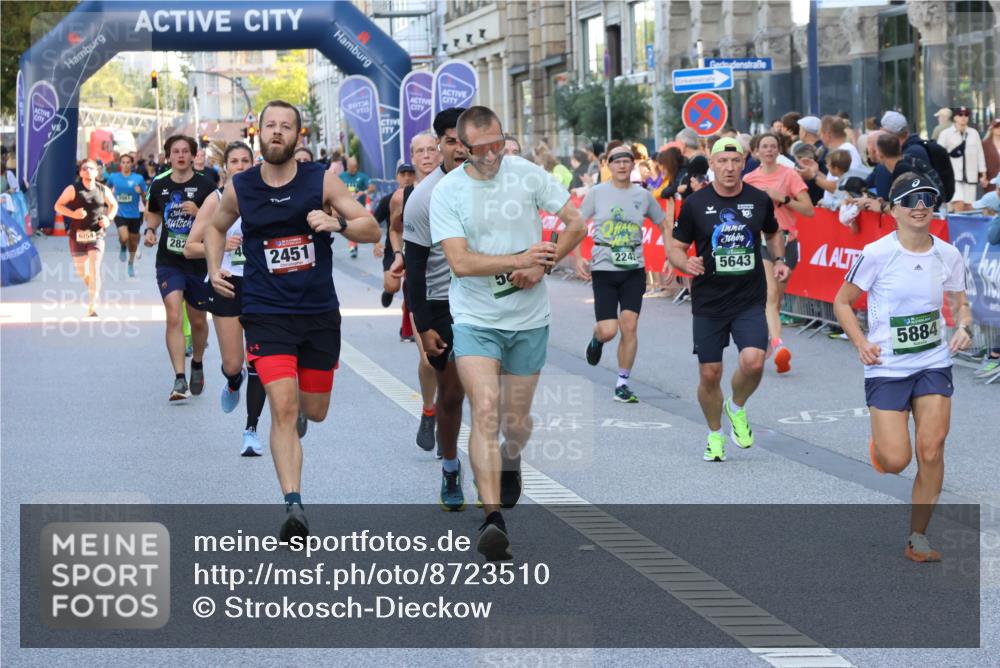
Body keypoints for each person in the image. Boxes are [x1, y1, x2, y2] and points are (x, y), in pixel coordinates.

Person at [205, 100, 380, 540]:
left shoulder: (320, 179)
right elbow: (214, 227)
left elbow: (370, 227)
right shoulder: (241, 186)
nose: (277, 132)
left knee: (313, 411)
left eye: (286, 126)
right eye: (270, 126)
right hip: (266, 312)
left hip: (318, 312)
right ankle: (293, 505)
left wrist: (336, 223)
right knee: (282, 407)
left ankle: (301, 414)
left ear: (298, 137)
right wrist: (212, 269)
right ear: (258, 134)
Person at [430, 106, 586, 560]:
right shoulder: (449, 192)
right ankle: (492, 519)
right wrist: (519, 260)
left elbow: (575, 223)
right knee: (485, 408)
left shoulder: (526, 174)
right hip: (476, 318)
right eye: (481, 149)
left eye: (499, 143)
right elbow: (460, 263)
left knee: (514, 421)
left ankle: (512, 453)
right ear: (461, 147)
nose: (493, 154)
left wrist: (545, 263)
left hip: (529, 320)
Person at [834, 172, 972, 562]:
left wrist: (962, 326)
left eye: (927, 198)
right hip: (888, 367)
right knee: (897, 460)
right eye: (911, 200)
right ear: (893, 210)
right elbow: (842, 302)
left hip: (932, 363)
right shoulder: (877, 254)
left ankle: (918, 538)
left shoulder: (948, 254)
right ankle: (883, 445)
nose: (920, 206)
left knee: (932, 449)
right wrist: (861, 343)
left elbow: (961, 303)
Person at [667, 137, 789, 462]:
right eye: (723, 161)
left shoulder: (758, 199)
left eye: (736, 161)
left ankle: (736, 407)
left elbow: (774, 232)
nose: (730, 168)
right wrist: (685, 263)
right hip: (709, 301)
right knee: (710, 373)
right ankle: (714, 434)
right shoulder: (695, 203)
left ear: (743, 163)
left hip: (748, 298)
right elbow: (675, 247)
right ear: (712, 164)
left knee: (753, 361)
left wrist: (778, 260)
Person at [402, 109, 472, 508]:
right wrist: (424, 324)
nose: (460, 148)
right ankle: (450, 468)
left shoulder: (499, 186)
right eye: (451, 141)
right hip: (445, 302)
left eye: (466, 139)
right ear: (442, 145)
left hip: (491, 302)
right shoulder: (425, 196)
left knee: (493, 394)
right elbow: (414, 268)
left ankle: (498, 470)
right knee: (452, 394)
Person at [184, 141, 269, 457]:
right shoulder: (216, 200)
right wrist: (220, 245)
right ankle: (234, 381)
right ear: (226, 166)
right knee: (234, 363)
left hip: (261, 285)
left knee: (258, 360)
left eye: (246, 160)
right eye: (235, 161)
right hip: (226, 283)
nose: (241, 166)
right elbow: (190, 246)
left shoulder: (266, 197)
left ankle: (251, 431)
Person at [576, 144, 667, 402]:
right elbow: (576, 224)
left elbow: (663, 224)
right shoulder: (597, 193)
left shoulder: (643, 195)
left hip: (633, 268)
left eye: (627, 160)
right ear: (608, 164)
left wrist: (671, 255)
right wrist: (578, 257)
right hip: (604, 266)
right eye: (616, 161)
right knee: (608, 330)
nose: (622, 165)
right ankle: (596, 339)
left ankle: (622, 383)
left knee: (630, 326)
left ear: (633, 164)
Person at [143, 135, 218, 401]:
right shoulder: (160, 184)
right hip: (169, 262)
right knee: (173, 315)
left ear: (193, 155)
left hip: (198, 262)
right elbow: (153, 212)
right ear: (168, 156)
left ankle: (196, 362)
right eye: (176, 151)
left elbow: (218, 221)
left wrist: (199, 212)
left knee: (198, 321)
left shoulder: (206, 185)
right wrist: (151, 230)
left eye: (186, 151)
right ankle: (179, 378)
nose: (181, 155)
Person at [390, 134, 447, 451]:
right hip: (421, 283)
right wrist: (398, 256)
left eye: (431, 149)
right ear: (411, 157)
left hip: (455, 284)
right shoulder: (404, 196)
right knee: (429, 359)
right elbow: (394, 229)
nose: (426, 155)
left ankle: (448, 416)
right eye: (419, 151)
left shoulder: (457, 186)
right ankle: (429, 411)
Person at [744, 132, 814, 374]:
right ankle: (778, 344)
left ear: (778, 150)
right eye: (764, 146)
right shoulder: (750, 179)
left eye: (773, 146)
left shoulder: (789, 175)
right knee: (771, 294)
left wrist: (782, 198)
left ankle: (767, 341)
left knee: (776, 299)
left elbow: (809, 210)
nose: (769, 150)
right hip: (762, 240)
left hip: (787, 241)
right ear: (756, 152)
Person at [54, 159, 118, 317]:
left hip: (97, 235)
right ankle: (93, 287)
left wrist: (108, 219)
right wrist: (73, 214)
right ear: (80, 172)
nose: (87, 170)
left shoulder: (103, 190)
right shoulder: (73, 189)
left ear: (97, 172)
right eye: (84, 168)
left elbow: (114, 205)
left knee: (95, 268)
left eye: (91, 168)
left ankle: (93, 304)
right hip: (77, 236)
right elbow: (58, 206)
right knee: (82, 271)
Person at [375, 162, 418, 307]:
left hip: (417, 249)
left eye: (410, 174)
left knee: (414, 292)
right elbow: (373, 223)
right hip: (394, 249)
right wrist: (375, 243)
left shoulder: (422, 197)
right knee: (393, 286)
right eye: (403, 174)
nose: (407, 178)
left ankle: (408, 322)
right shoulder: (388, 200)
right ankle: (389, 291)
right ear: (397, 177)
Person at [938, 107, 988, 210]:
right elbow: (939, 154)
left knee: (969, 207)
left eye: (966, 115)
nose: (963, 117)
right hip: (953, 177)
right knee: (958, 204)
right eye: (960, 115)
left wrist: (983, 174)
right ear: (955, 117)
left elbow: (979, 153)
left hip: (970, 176)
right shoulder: (946, 134)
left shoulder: (974, 133)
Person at [105, 154, 147, 275]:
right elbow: (105, 189)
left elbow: (146, 196)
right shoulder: (113, 177)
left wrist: (141, 193)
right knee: (124, 237)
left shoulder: (138, 178)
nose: (125, 164)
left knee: (133, 243)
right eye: (123, 162)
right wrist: (109, 202)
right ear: (120, 164)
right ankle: (123, 245)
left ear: (132, 164)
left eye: (128, 162)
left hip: (134, 214)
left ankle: (131, 264)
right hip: (120, 213)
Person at [339, 156, 375, 259]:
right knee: (350, 225)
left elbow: (372, 188)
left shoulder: (362, 176)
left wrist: (364, 192)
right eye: (351, 167)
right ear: (347, 166)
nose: (353, 169)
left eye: (355, 167)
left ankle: (358, 244)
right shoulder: (342, 176)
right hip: (346, 207)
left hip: (359, 206)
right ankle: (353, 248)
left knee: (356, 226)